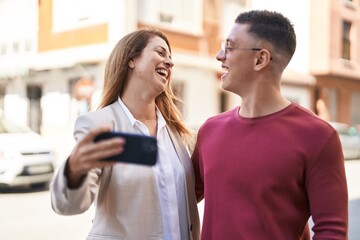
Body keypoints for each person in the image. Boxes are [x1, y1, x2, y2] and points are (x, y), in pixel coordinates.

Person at [192, 10, 348, 240]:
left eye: (229, 47)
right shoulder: (210, 130)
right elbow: (174, 196)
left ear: (260, 59)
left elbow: (331, 232)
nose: (219, 55)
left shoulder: (318, 137)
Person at [50, 29, 200, 240]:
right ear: (132, 59)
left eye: (170, 57)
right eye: (160, 52)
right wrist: (74, 170)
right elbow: (70, 205)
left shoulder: (175, 131)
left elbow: (180, 196)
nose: (169, 62)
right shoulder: (100, 124)